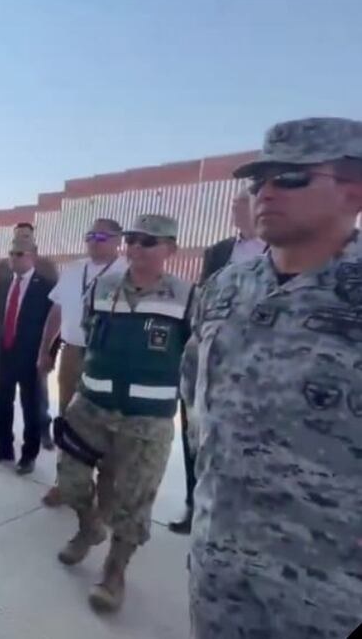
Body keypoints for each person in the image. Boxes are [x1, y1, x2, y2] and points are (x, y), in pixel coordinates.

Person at [182, 117, 362, 638]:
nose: (265, 192)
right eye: (259, 180)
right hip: (220, 571)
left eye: (291, 177)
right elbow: (196, 401)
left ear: (354, 190)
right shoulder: (224, 288)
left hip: (330, 597)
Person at [53, 213, 193, 614]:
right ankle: (89, 526)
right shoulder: (102, 287)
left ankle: (114, 572)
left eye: (148, 241)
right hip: (91, 407)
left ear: (170, 248)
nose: (135, 248)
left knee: (134, 501)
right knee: (71, 481)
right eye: (131, 240)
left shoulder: (186, 297)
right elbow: (89, 335)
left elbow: (196, 355)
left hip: (147, 418)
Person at [168, 190, 266, 534]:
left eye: (241, 203)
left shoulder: (277, 250)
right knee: (196, 435)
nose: (235, 209)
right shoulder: (219, 251)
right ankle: (194, 506)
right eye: (233, 204)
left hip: (255, 363)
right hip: (208, 359)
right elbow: (201, 298)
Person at [37, 218, 126, 508]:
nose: (93, 241)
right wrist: (45, 351)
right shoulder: (74, 270)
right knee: (68, 418)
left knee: (106, 422)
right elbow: (56, 312)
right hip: (72, 351)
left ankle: (105, 489)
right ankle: (65, 483)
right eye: (90, 235)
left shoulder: (127, 272)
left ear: (118, 241)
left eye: (101, 236)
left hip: (108, 357)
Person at [0, 238, 55, 474]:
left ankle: (28, 456)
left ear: (33, 256)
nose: (13, 258)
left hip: (31, 358)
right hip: (3, 354)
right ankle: (3, 449)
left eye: (19, 254)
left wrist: (48, 355)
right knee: (2, 403)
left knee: (30, 407)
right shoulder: (4, 285)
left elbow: (54, 326)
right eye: (11, 253)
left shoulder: (46, 287)